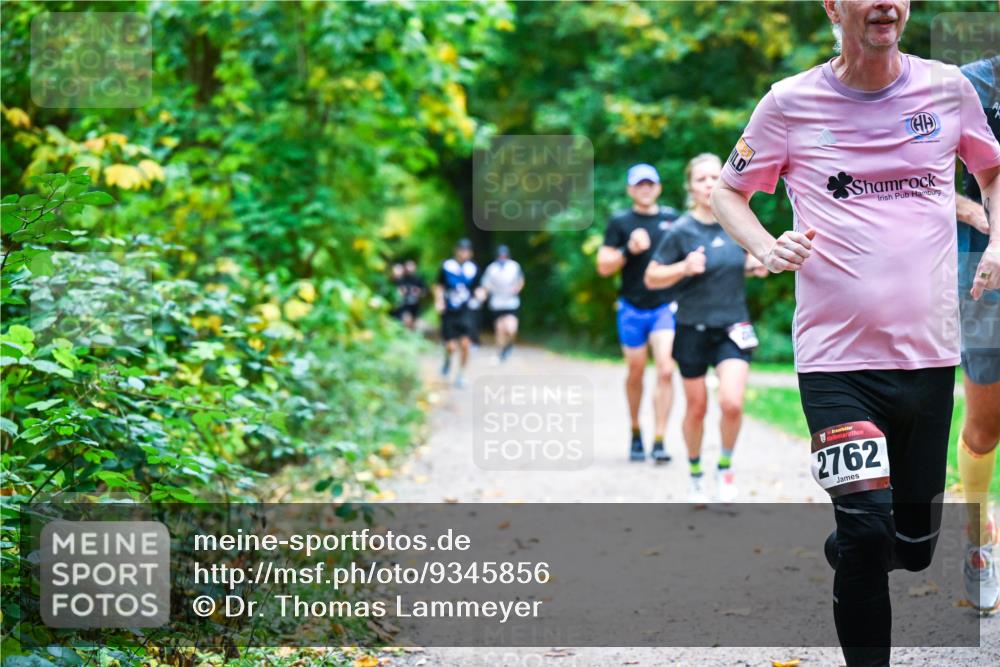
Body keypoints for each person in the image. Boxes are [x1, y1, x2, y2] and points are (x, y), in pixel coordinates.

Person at [710, 1, 1000, 664]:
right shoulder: (789, 103)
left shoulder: (948, 90)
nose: (886, 3)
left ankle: (856, 542)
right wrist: (764, 242)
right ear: (833, 7)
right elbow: (730, 191)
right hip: (835, 361)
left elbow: (992, 171)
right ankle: (858, 543)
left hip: (927, 356)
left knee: (915, 544)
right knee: (869, 529)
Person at [645, 154, 768, 504]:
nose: (709, 184)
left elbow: (756, 258)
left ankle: (725, 468)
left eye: (716, 176)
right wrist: (683, 267)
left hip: (733, 326)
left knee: (731, 403)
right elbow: (652, 277)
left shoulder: (739, 223)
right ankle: (696, 472)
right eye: (701, 179)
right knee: (696, 408)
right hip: (692, 328)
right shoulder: (681, 230)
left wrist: (757, 263)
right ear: (690, 186)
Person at [955, 53, 1000, 613]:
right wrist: (980, 218)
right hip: (987, 271)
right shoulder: (968, 84)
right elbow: (914, 177)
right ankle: (976, 536)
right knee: (986, 425)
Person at [597, 163, 681, 462]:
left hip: (664, 306)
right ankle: (635, 432)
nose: (645, 189)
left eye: (650, 184)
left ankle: (659, 440)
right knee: (635, 372)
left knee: (666, 370)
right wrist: (627, 251)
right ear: (631, 189)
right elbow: (603, 266)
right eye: (639, 184)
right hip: (631, 308)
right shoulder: (620, 221)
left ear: (658, 187)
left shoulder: (673, 219)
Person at [434, 239, 486, 388]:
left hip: (466, 309)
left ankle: (461, 374)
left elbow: (479, 287)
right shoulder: (447, 266)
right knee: (451, 346)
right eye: (461, 250)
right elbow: (439, 285)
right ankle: (448, 359)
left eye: (466, 250)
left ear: (470, 253)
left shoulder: (473, 268)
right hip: (450, 310)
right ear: (456, 250)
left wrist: (480, 295)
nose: (463, 253)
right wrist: (439, 301)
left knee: (465, 344)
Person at [481, 245, 524, 362]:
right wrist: (486, 291)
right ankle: (501, 352)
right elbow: (485, 283)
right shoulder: (491, 268)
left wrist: (517, 289)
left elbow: (520, 280)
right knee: (500, 329)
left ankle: (509, 345)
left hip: (510, 301)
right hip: (497, 302)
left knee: (511, 329)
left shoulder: (514, 266)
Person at [400, 259, 427, 331]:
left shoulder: (418, 279)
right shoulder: (401, 279)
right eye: (408, 266)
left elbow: (425, 292)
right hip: (404, 305)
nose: (410, 268)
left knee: (413, 325)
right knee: (406, 321)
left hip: (415, 305)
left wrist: (419, 292)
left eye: (411, 266)